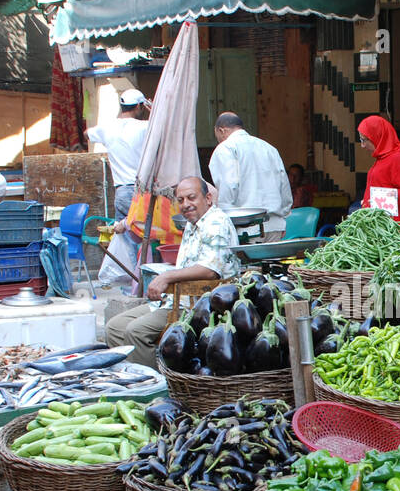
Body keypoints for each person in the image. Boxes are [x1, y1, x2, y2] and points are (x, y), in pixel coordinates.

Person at [104, 176, 241, 369]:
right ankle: (144, 372)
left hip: (196, 305)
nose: (186, 204)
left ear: (208, 198)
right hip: (176, 300)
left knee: (137, 332)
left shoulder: (215, 223)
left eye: (192, 197)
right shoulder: (193, 224)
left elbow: (210, 270)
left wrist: (166, 276)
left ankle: (157, 385)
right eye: (181, 200)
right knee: (114, 328)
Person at [210, 112, 292, 240]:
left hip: (245, 229)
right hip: (275, 227)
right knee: (272, 261)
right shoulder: (269, 148)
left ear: (221, 130)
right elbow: (285, 189)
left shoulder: (226, 148)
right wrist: (282, 219)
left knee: (246, 261)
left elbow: (228, 189)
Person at [87, 89, 151, 219]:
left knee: (123, 237)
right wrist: (154, 110)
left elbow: (86, 134)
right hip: (140, 191)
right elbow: (168, 128)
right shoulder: (146, 127)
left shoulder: (107, 128)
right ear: (139, 106)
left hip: (121, 192)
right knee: (144, 235)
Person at [357, 115, 400, 241]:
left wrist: (378, 199)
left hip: (395, 231)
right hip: (381, 229)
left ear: (377, 137)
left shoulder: (397, 158)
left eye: (365, 140)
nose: (362, 145)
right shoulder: (381, 158)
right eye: (361, 140)